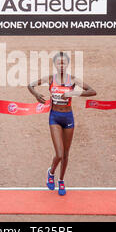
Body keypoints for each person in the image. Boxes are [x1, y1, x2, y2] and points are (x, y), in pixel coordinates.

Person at [28, 52, 96, 196]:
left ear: (67, 64)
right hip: (55, 117)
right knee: (59, 153)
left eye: (64, 63)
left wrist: (74, 94)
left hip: (68, 117)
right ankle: (51, 172)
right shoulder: (51, 78)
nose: (61, 65)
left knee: (66, 154)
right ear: (55, 64)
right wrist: (36, 95)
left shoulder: (72, 80)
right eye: (59, 63)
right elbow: (30, 85)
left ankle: (61, 180)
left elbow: (92, 91)